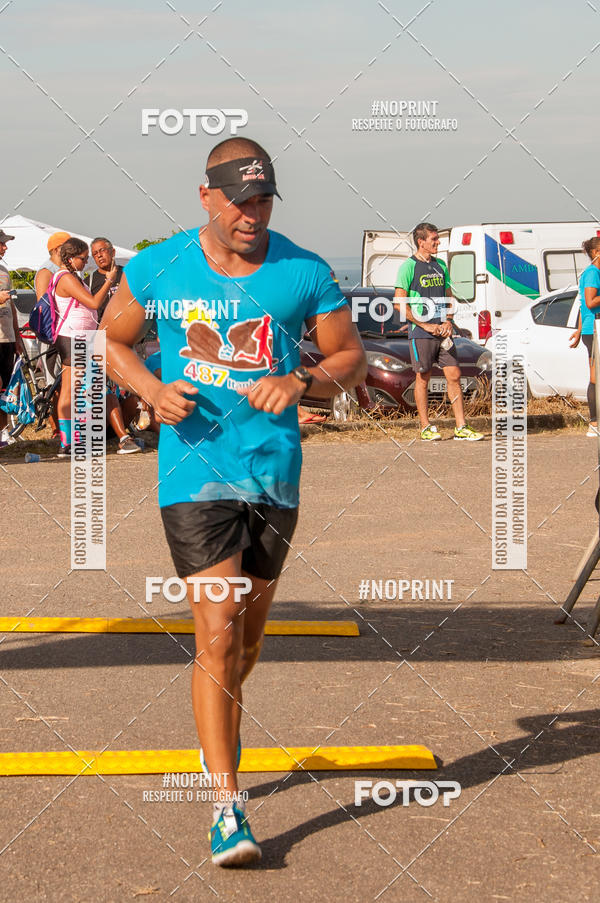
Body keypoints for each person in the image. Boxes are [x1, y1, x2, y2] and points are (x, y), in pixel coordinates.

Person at [104, 136, 366, 867]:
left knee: (245, 641)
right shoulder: (158, 267)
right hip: (194, 472)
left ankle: (221, 721)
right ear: (206, 197)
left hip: (274, 473)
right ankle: (227, 804)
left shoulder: (304, 271)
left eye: (263, 200)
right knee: (216, 628)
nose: (253, 214)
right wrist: (151, 391)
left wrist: (304, 383)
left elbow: (351, 359)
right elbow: (114, 340)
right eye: (240, 200)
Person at [394, 222, 484, 441]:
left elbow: (449, 296)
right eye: (433, 239)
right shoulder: (408, 267)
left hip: (443, 332)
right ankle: (426, 426)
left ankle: (461, 426)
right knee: (422, 377)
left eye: (437, 238)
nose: (438, 242)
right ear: (421, 242)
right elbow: (398, 302)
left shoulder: (441, 265)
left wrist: (449, 320)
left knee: (454, 375)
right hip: (421, 332)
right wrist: (425, 325)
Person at [53, 237, 118, 456]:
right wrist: (109, 281)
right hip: (74, 337)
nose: (86, 261)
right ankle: (70, 441)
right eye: (83, 258)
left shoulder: (72, 277)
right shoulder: (65, 278)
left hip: (78, 337)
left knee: (76, 389)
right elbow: (93, 303)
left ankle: (70, 441)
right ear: (71, 258)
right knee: (75, 390)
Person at [34, 231, 71, 438]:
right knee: (53, 384)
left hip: (67, 333)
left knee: (66, 382)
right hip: (52, 335)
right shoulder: (46, 271)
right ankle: (56, 429)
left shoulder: (66, 270)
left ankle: (66, 427)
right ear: (57, 249)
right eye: (68, 247)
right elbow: (43, 306)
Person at [569, 236, 600, 437]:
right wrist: (584, 331)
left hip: (590, 329)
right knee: (595, 377)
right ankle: (594, 424)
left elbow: (581, 306)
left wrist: (579, 331)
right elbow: (590, 302)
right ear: (596, 253)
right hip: (596, 330)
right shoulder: (592, 273)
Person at [0, 229, 24, 445]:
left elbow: (12, 305)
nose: (5, 247)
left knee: (6, 390)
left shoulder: (4, 271)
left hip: (6, 338)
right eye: (2, 243)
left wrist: (17, 336)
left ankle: (4, 430)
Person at [86, 238, 123, 319]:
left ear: (113, 252)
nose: (99, 255)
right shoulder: (89, 282)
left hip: (127, 327)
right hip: (101, 329)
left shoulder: (127, 274)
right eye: (95, 253)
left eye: (102, 250)